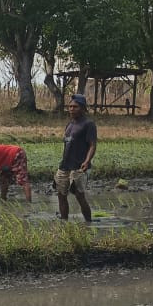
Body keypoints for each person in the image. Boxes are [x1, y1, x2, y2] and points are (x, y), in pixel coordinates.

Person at [56, 94, 97, 222]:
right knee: (61, 195)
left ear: (83, 108)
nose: (72, 109)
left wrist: (87, 161)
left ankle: (88, 223)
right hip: (65, 165)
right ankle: (64, 223)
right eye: (70, 106)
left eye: (75, 107)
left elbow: (92, 145)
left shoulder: (88, 124)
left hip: (79, 166)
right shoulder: (69, 125)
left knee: (79, 195)